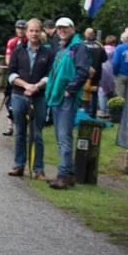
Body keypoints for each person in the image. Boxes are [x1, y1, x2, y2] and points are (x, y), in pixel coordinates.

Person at [45, 17, 90, 189]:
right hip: (58, 96)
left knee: (64, 137)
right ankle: (69, 174)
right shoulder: (63, 47)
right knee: (60, 136)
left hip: (67, 97)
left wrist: (70, 89)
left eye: (65, 27)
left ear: (73, 28)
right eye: (59, 28)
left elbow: (83, 71)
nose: (61, 30)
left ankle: (63, 175)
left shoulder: (78, 47)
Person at [7, 19, 54, 178]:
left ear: (41, 32)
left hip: (39, 97)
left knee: (37, 134)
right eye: (31, 31)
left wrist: (37, 86)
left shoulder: (48, 53)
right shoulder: (17, 51)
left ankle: (38, 169)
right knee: (20, 132)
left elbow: (50, 75)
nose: (34, 34)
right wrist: (26, 85)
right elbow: (11, 74)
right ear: (26, 32)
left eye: (37, 31)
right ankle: (18, 165)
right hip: (19, 95)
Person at [2, 20, 27, 136]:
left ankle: (23, 126)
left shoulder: (28, 41)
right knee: (8, 99)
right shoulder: (12, 42)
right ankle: (10, 127)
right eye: (18, 28)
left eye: (23, 28)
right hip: (13, 74)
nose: (20, 31)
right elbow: (8, 59)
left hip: (25, 75)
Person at [82, 28, 107, 118]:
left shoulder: (82, 44)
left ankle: (85, 112)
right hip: (97, 73)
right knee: (94, 93)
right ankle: (92, 113)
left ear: (86, 34)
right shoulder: (99, 45)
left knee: (83, 91)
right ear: (93, 34)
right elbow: (104, 59)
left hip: (84, 72)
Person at [112, 27, 128, 98]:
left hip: (121, 75)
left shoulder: (119, 48)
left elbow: (115, 63)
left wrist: (115, 73)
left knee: (120, 98)